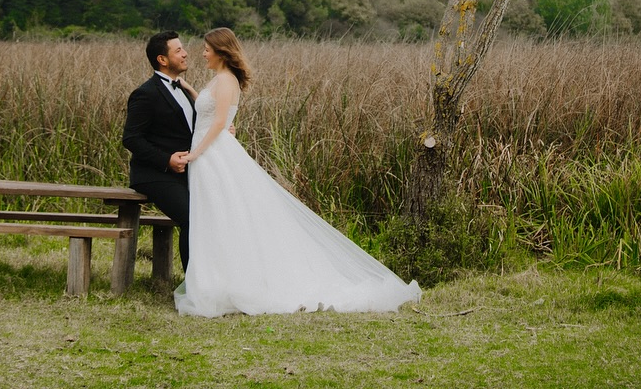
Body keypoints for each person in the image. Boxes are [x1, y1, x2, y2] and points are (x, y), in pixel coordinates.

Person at [174, 27, 422, 317]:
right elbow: (212, 113)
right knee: (215, 215)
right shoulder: (218, 80)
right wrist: (191, 90)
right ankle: (215, 278)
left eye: (206, 48)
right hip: (211, 156)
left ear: (220, 51)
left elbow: (218, 124)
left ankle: (231, 282)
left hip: (214, 155)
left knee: (223, 213)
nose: (202, 53)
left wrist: (195, 153)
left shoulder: (227, 80)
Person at [122, 30, 196, 271]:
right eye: (178, 50)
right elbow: (131, 138)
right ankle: (194, 286)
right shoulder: (145, 94)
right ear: (162, 60)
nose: (185, 53)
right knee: (191, 217)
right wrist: (166, 160)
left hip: (186, 173)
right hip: (154, 175)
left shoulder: (183, 89)